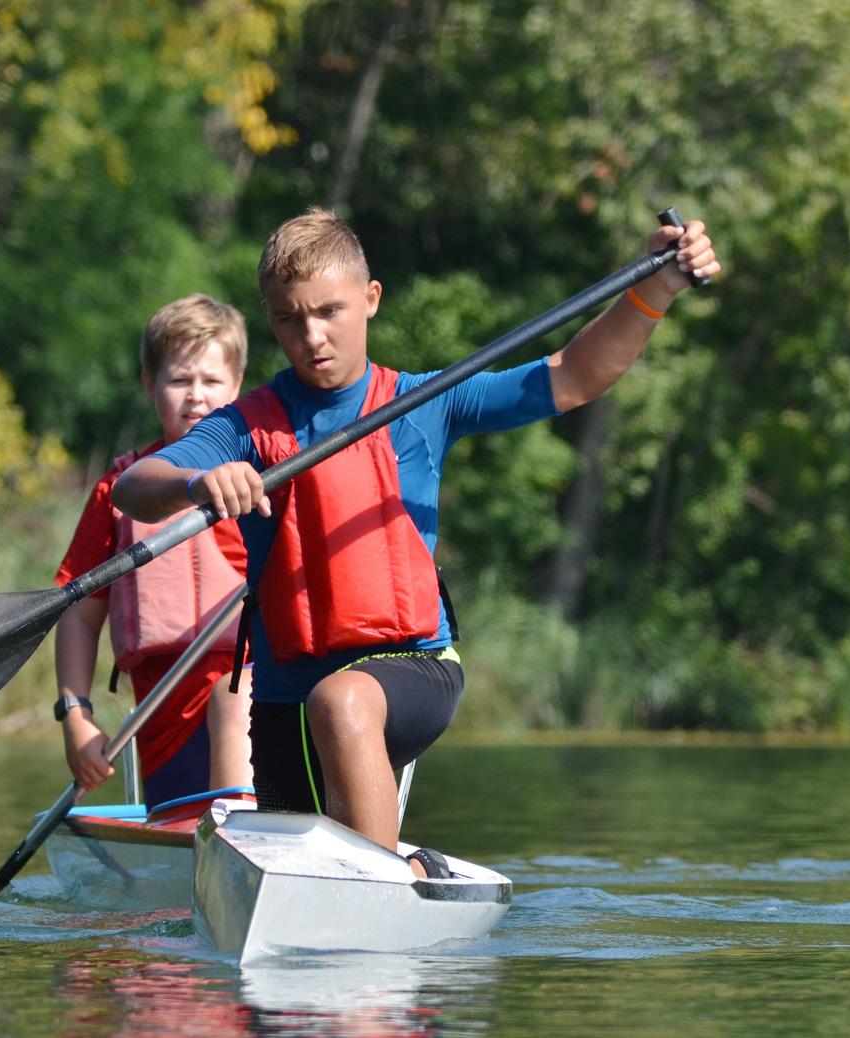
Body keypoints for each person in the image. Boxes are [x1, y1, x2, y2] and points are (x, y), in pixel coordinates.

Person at [112, 209, 720, 875]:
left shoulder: (427, 401)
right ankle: (407, 870)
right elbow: (135, 486)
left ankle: (383, 890)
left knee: (341, 700)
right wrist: (197, 480)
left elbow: (574, 376)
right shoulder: (244, 426)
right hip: (285, 703)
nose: (312, 336)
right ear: (270, 319)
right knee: (302, 851)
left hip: (412, 669)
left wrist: (656, 288)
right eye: (289, 319)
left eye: (330, 311)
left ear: (371, 299)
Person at [52, 293, 254, 809]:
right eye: (180, 380)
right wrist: (76, 714)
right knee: (181, 821)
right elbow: (80, 615)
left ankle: (242, 835)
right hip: (164, 725)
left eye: (212, 381)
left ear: (236, 386)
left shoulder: (266, 478)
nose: (196, 396)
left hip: (258, 704)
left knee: (232, 699)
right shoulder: (117, 491)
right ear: (149, 384)